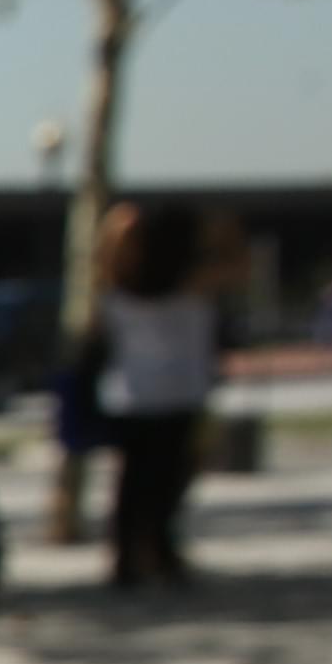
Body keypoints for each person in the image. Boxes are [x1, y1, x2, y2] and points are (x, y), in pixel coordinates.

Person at [91, 200, 225, 587]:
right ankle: (146, 555)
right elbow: (235, 258)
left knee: (147, 482)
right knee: (160, 480)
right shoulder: (188, 286)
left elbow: (107, 256)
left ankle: (144, 555)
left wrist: (120, 226)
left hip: (143, 396)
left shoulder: (125, 288)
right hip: (159, 395)